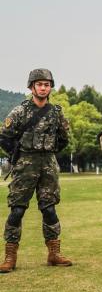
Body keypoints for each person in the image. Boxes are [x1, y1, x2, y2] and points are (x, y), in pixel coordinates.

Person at [0, 69, 72, 273]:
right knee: (17, 210)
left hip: (48, 164)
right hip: (25, 164)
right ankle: (9, 257)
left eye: (47, 84)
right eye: (39, 84)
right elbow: (5, 136)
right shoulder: (19, 112)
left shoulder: (56, 112)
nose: (43, 88)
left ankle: (54, 254)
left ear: (50, 88)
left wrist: (48, 152)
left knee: (49, 209)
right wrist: (18, 155)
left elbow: (64, 138)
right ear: (32, 87)